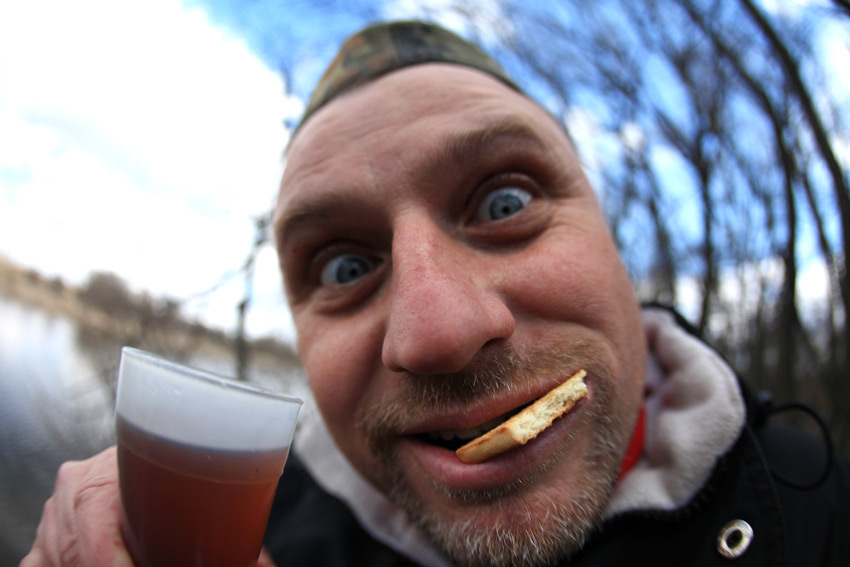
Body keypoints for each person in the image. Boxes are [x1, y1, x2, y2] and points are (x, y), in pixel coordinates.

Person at [22, 20, 849, 567]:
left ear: (613, 240)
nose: (437, 330)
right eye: (345, 268)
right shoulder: (244, 537)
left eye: (505, 203)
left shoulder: (827, 509)